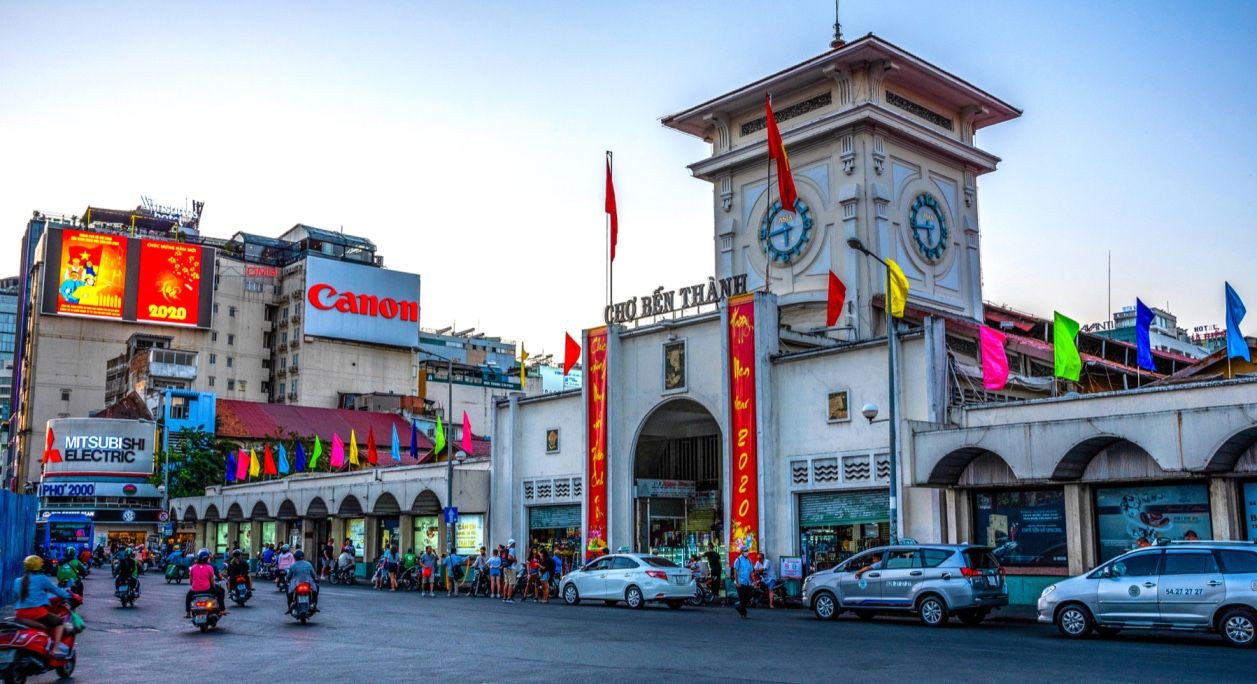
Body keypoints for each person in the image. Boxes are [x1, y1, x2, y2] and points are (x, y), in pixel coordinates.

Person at [13, 555, 72, 658]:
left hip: (20, 614)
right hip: (37, 614)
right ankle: (55, 649)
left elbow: (18, 596)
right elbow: (57, 591)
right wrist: (69, 595)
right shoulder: (42, 579)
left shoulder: (18, 581)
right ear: (39, 567)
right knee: (59, 622)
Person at [185, 549, 226, 618]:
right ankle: (222, 610)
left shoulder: (193, 568)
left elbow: (191, 581)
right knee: (221, 591)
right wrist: (213, 588)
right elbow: (212, 581)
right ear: (207, 558)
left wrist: (195, 586)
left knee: (188, 597)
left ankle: (188, 612)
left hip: (195, 590)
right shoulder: (210, 568)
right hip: (207, 589)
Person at [733, 547, 754, 618]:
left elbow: (751, 572)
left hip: (748, 582)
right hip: (740, 582)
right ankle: (743, 613)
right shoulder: (738, 560)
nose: (746, 552)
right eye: (745, 551)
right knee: (742, 599)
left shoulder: (749, 560)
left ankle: (738, 606)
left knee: (748, 596)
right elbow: (735, 572)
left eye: (747, 551)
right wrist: (737, 582)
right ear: (741, 552)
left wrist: (754, 582)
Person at [501, 540, 518, 604]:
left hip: (505, 567)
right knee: (511, 583)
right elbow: (509, 557)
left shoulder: (506, 549)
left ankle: (504, 597)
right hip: (511, 568)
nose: (515, 544)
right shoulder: (512, 549)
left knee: (506, 583)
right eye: (514, 543)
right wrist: (515, 560)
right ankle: (509, 598)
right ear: (513, 544)